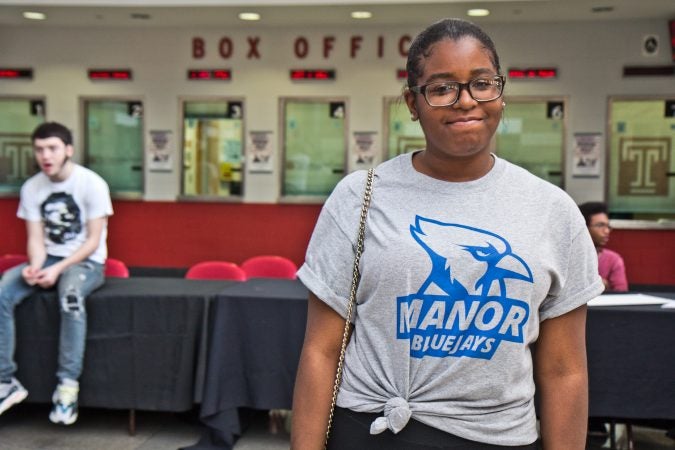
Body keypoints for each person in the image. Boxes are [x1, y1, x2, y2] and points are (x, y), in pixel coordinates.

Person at [291, 18, 604, 450]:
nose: (465, 101)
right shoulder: (360, 196)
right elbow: (320, 351)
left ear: (500, 92)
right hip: (373, 431)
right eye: (442, 88)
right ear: (413, 103)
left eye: (481, 83)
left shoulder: (553, 210)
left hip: (498, 438)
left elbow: (564, 370)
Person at [0, 122, 113, 425]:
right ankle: (5, 381)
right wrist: (36, 265)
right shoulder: (32, 187)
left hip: (86, 262)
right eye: (39, 149)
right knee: (3, 292)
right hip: (48, 257)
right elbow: (36, 238)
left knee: (70, 297)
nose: (45, 155)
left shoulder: (92, 184)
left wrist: (58, 269)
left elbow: (92, 241)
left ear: (68, 150)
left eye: (52, 148)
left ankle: (67, 386)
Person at [578, 201, 628, 292]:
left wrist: (606, 287)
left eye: (608, 226)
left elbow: (622, 293)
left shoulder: (613, 259)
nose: (606, 231)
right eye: (600, 225)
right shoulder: (567, 258)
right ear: (584, 227)